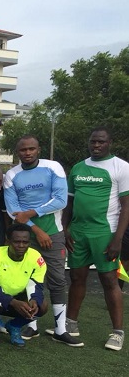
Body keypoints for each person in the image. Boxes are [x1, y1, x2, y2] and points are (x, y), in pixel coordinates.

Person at [3, 135, 81, 345]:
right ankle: (30, 325)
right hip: (26, 235)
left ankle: (60, 329)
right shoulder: (11, 175)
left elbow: (61, 200)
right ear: (17, 152)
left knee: (57, 280)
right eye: (23, 150)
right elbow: (13, 211)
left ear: (38, 150)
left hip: (53, 232)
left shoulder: (53, 167)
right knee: (28, 279)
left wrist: (31, 213)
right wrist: (36, 229)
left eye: (31, 149)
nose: (27, 153)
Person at [63, 127, 129, 351]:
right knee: (77, 277)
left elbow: (127, 206)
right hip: (78, 232)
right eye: (93, 142)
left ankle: (118, 332)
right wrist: (66, 228)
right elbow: (70, 202)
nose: (96, 145)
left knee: (109, 281)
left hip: (104, 232)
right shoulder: (79, 168)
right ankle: (70, 324)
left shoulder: (121, 167)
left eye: (101, 142)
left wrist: (117, 239)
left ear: (110, 143)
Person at [0, 223, 48, 347]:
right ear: (8, 242)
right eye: (16, 242)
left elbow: (36, 284)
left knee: (42, 305)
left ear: (29, 243)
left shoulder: (36, 257)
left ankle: (14, 326)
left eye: (25, 242)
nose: (21, 246)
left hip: (20, 297)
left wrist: (34, 299)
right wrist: (12, 302)